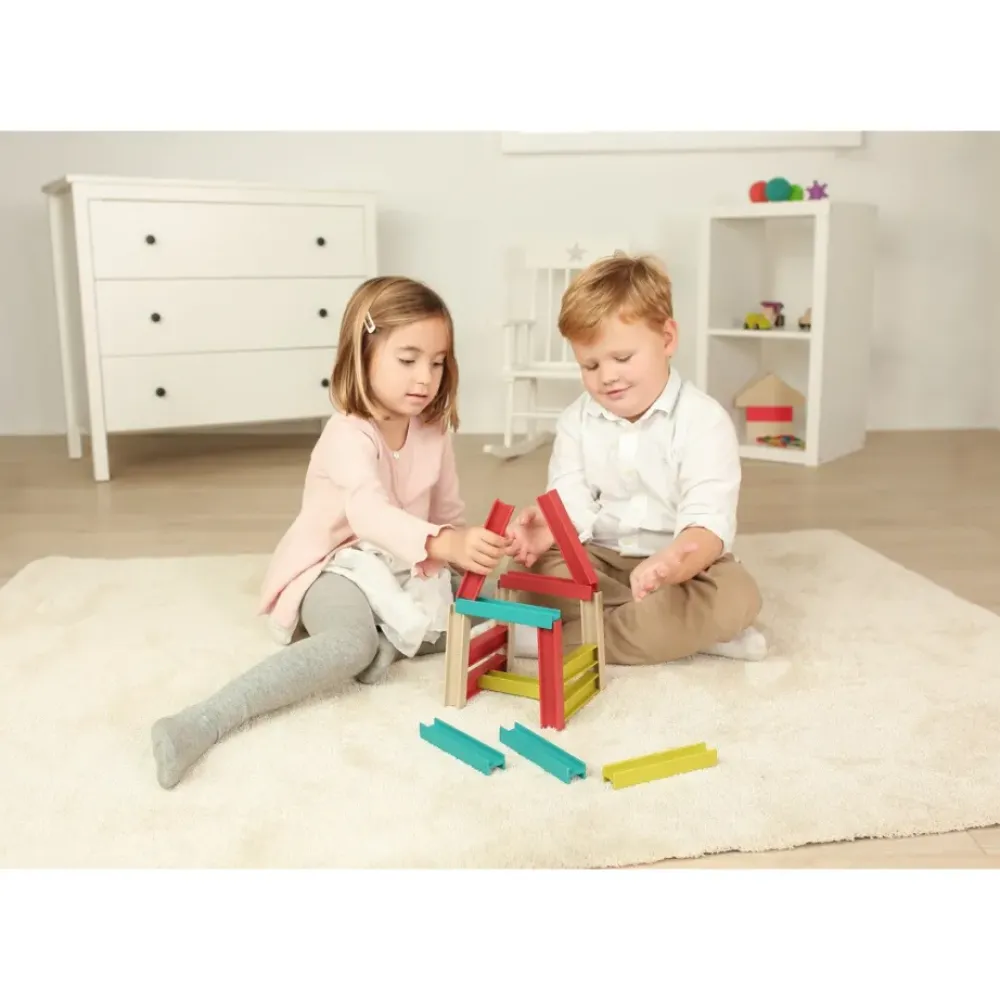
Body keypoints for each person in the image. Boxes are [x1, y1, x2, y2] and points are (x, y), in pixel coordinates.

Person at [151, 276, 506, 789]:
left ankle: (389, 642)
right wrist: (443, 543)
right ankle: (199, 723)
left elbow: (448, 514)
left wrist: (477, 545)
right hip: (338, 565)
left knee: (495, 603)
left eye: (437, 362)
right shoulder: (346, 433)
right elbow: (367, 513)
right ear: (363, 354)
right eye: (408, 360)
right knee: (348, 645)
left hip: (405, 562)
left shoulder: (433, 430)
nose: (425, 377)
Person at [505, 252, 766, 666]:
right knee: (531, 573)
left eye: (622, 358)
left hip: (681, 569)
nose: (607, 376)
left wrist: (676, 563)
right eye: (590, 365)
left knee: (736, 596)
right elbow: (570, 498)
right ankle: (680, 634)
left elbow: (708, 519)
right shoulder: (575, 420)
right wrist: (550, 528)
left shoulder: (704, 420)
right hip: (598, 559)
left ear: (667, 339)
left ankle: (551, 639)